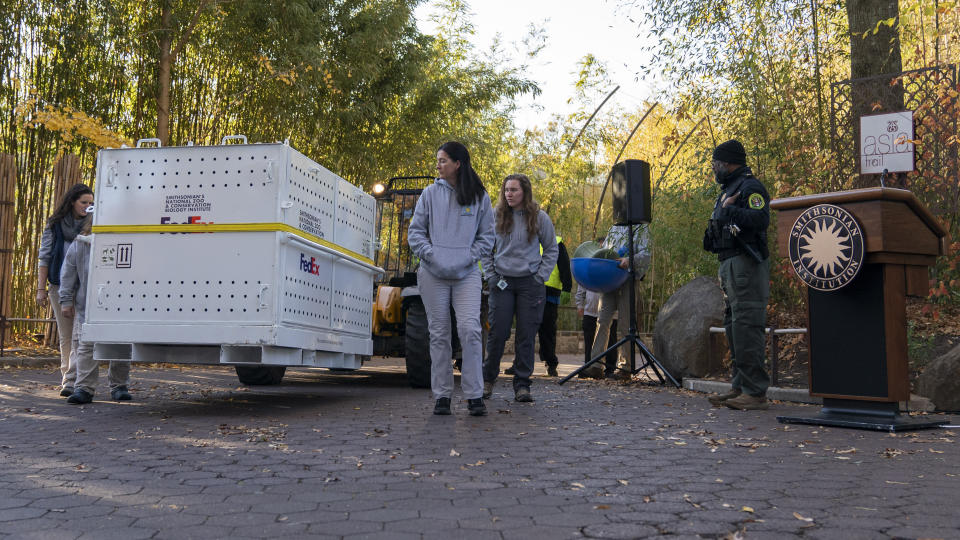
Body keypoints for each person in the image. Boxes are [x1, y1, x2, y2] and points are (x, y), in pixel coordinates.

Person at [407, 141, 495, 416]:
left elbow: (487, 237)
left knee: (470, 330)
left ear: (458, 164)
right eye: (438, 160)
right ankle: (442, 395)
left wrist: (469, 257)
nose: (438, 165)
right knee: (439, 334)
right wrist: (431, 255)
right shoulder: (430, 194)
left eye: (443, 160)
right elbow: (415, 233)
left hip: (467, 273)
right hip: (433, 273)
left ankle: (474, 395)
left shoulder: (480, 196)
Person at [702, 139, 771, 411]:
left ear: (729, 163)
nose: (714, 169)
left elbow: (760, 219)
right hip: (729, 264)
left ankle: (755, 392)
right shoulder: (729, 189)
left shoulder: (750, 187)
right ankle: (740, 386)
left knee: (746, 325)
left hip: (746, 265)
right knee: (734, 326)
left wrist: (729, 209)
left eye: (716, 164)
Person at [481, 174, 558, 402]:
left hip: (530, 285)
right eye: (506, 190)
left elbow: (551, 248)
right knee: (497, 333)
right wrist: (492, 276)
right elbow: (486, 248)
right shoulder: (495, 216)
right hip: (502, 283)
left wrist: (540, 277)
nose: (509, 194)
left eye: (514, 190)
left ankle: (522, 385)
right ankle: (487, 381)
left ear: (525, 191)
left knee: (526, 335)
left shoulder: (539, 217)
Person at [58, 215, 132, 404]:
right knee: (86, 346)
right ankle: (84, 388)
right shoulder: (82, 244)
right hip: (89, 305)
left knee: (121, 345)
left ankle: (119, 385)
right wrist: (65, 300)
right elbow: (68, 273)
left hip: (121, 304)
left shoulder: (128, 240)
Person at [36, 183, 94, 397]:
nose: (88, 207)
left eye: (91, 203)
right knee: (67, 335)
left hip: (86, 286)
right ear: (72, 202)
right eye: (84, 202)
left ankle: (76, 380)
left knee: (82, 336)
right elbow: (44, 256)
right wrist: (41, 289)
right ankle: (67, 379)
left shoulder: (94, 223)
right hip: (60, 286)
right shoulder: (56, 224)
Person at [584, 222, 651, 379]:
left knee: (625, 323)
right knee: (602, 320)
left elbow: (645, 255)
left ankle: (625, 367)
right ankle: (596, 365)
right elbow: (606, 252)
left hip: (627, 278)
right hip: (610, 280)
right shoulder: (613, 227)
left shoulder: (641, 228)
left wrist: (629, 260)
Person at [575, 281, 618, 377]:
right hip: (590, 311)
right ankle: (589, 366)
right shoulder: (587, 267)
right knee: (589, 342)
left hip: (610, 313)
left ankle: (610, 369)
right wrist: (580, 304)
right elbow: (582, 283)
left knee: (611, 341)